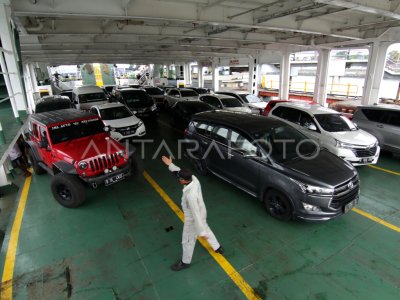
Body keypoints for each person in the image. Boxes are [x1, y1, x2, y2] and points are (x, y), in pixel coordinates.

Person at [162, 156, 223, 271]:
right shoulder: (194, 179)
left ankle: (185, 262)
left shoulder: (191, 195)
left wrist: (201, 232)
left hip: (193, 218)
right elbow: (179, 172)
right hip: (202, 210)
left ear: (184, 181)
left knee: (188, 240)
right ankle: (217, 247)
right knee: (206, 227)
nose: (178, 180)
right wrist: (170, 164)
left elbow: (196, 215)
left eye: (180, 179)